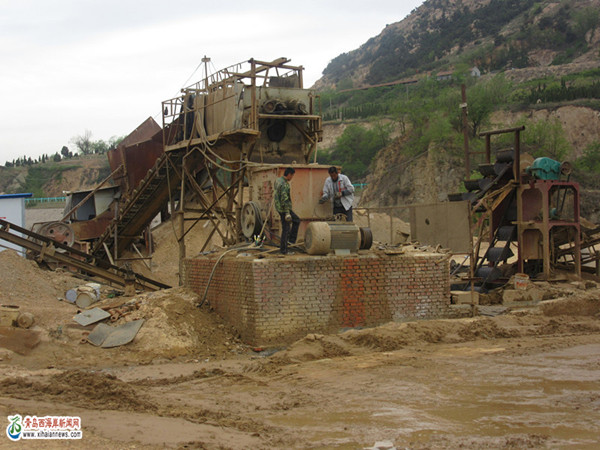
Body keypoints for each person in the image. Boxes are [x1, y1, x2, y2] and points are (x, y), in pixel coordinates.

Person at [274, 167, 300, 254]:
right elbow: (284, 199)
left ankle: (289, 243)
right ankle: (284, 249)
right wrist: (287, 213)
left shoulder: (278, 181)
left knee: (295, 221)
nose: (292, 178)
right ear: (289, 174)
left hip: (279, 207)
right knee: (286, 229)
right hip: (284, 209)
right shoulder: (285, 184)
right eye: (292, 176)